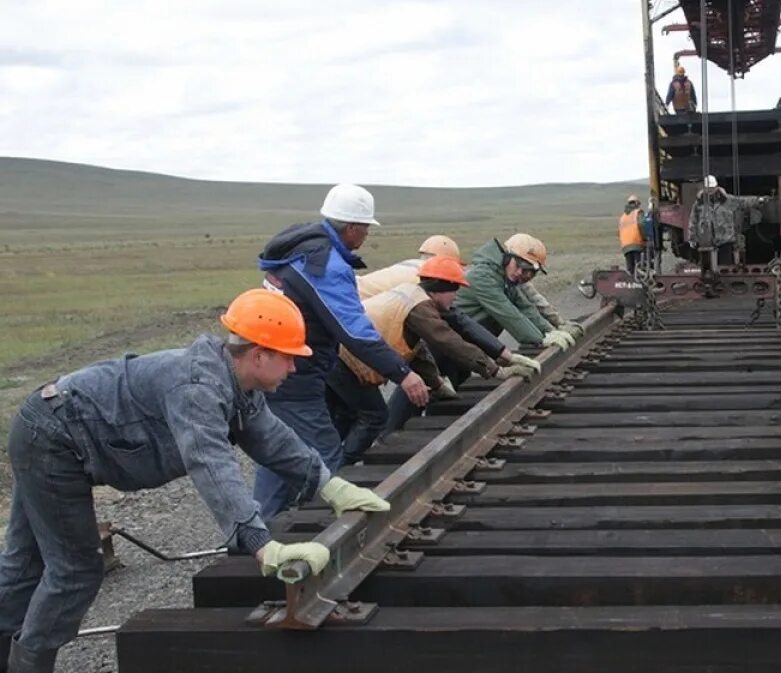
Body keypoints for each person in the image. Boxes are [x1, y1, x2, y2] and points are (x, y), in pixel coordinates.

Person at [0, 290, 390, 672]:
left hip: (50, 426)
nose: (293, 369)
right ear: (259, 354)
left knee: (25, 563)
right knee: (76, 569)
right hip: (53, 439)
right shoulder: (197, 390)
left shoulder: (236, 383)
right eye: (289, 359)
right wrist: (261, 544)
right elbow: (211, 463)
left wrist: (331, 486)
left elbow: (274, 440)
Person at [253, 183, 429, 519]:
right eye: (365, 228)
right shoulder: (326, 266)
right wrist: (403, 374)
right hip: (293, 372)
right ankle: (327, 534)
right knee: (324, 453)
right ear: (351, 228)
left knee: (278, 448)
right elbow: (354, 331)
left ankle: (255, 530)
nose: (365, 235)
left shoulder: (301, 250)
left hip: (271, 364)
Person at [328, 256, 541, 462]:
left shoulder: (415, 296)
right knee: (374, 416)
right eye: (454, 289)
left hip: (341, 358)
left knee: (346, 417)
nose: (456, 296)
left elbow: (416, 351)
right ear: (441, 287)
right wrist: (496, 370)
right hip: (347, 362)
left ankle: (330, 465)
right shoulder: (420, 307)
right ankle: (340, 469)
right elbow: (448, 340)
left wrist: (436, 383)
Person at [454, 235, 577, 349]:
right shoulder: (482, 277)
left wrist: (551, 331)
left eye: (528, 271)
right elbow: (508, 314)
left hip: (466, 340)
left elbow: (525, 308)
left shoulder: (504, 277)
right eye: (518, 265)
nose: (519, 273)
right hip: (450, 341)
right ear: (507, 257)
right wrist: (541, 339)